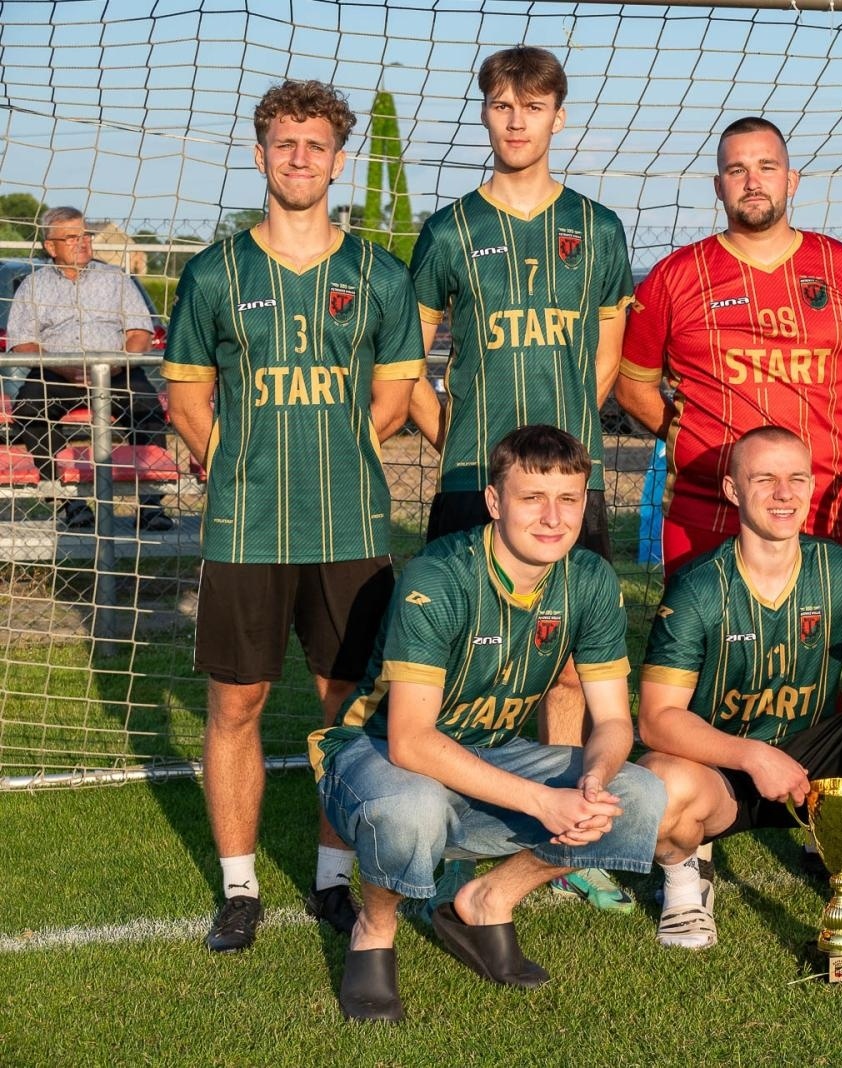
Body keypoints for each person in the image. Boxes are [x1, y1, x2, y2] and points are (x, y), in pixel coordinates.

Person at [162, 80, 424, 951]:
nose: (299, 158)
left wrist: (335, 455)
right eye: (284, 143)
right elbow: (188, 398)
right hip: (244, 527)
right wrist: (237, 464)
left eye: (315, 145)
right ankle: (239, 890)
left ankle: (328, 880)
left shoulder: (380, 275)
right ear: (260, 152)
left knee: (345, 705)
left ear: (338, 160)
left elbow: (393, 399)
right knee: (236, 702)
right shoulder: (214, 272)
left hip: (350, 526)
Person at [309, 425, 665, 1023]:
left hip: (489, 748)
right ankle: (374, 928)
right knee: (412, 807)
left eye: (569, 499)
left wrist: (594, 781)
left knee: (639, 790)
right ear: (496, 502)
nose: (553, 518)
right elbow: (411, 740)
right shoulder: (439, 577)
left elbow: (612, 720)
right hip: (374, 751)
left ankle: (487, 898)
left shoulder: (592, 578)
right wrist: (544, 803)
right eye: (533, 498)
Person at [408, 44, 635, 913]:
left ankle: (568, 837)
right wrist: (461, 442)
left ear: (557, 117)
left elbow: (606, 363)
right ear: (486, 113)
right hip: (476, 480)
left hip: (572, 488)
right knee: (467, 662)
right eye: (502, 105)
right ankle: (453, 819)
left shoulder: (600, 229)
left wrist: (560, 469)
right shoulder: (449, 231)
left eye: (531, 107)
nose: (516, 120)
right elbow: (406, 363)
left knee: (572, 667)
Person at [637, 427, 842, 951]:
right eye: (764, 479)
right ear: (732, 492)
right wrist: (751, 756)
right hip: (721, 766)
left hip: (817, 760)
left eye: (796, 478)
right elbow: (656, 719)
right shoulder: (699, 585)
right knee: (657, 784)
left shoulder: (841, 571)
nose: (784, 493)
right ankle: (685, 883)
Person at [617, 117, 842, 574]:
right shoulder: (674, 277)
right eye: (736, 170)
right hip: (708, 507)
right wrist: (693, 439)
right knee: (706, 643)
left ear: (792, 179)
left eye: (767, 166)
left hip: (821, 501)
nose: (752, 182)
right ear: (718, 185)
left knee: (825, 640)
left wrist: (823, 419)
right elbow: (633, 390)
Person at [6, 206, 170, 531]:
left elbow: (141, 333)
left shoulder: (116, 279)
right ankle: (70, 502)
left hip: (116, 370)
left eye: (86, 235)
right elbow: (22, 343)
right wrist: (65, 368)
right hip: (58, 371)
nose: (82, 242)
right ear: (51, 247)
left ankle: (151, 504)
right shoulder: (33, 286)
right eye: (71, 237)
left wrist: (116, 364)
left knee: (148, 409)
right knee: (29, 410)